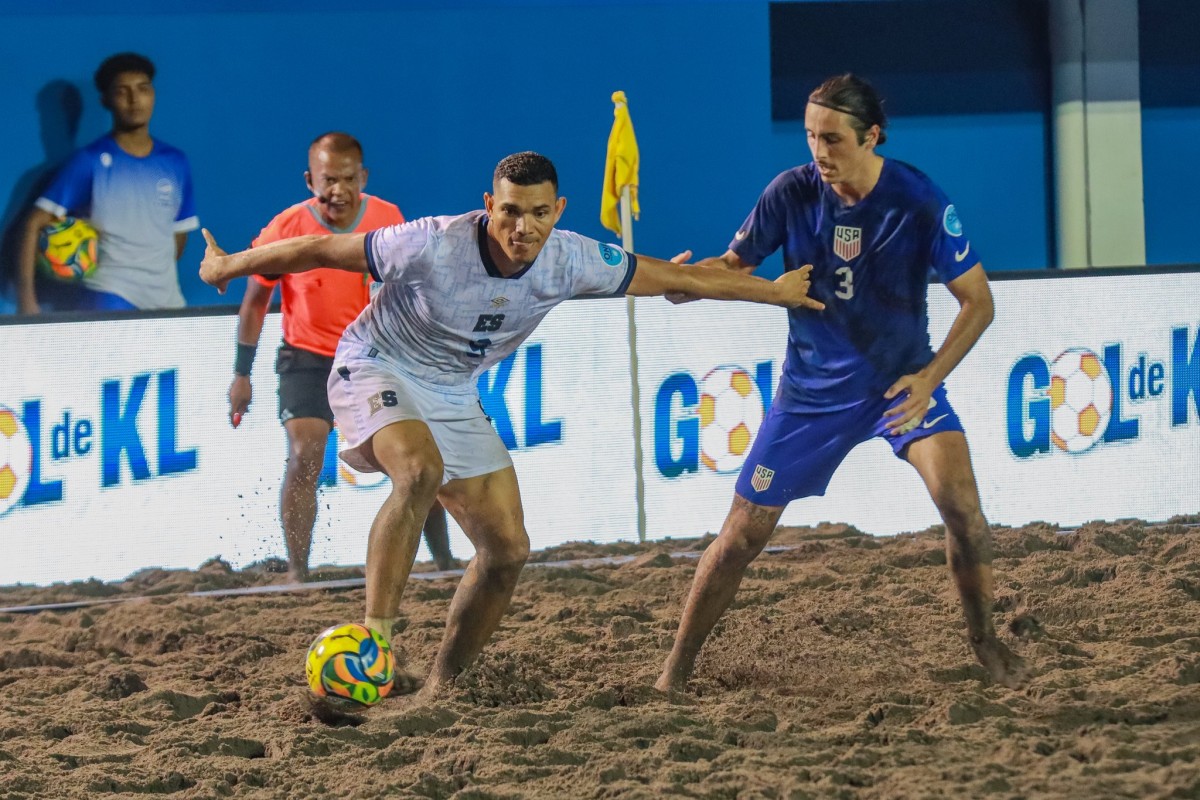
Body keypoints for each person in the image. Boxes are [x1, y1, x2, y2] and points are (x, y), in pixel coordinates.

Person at [200, 151, 823, 698]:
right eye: (508, 213)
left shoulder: (574, 257)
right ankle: (376, 641)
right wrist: (230, 267)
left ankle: (444, 687)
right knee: (419, 471)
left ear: (558, 210)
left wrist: (776, 293)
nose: (522, 228)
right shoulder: (431, 240)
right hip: (376, 364)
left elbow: (677, 277)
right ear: (487, 206)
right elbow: (317, 248)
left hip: (454, 391)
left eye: (538, 214)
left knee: (508, 551)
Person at [655, 74, 1029, 693]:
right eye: (809, 137)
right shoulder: (791, 193)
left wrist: (929, 378)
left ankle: (985, 643)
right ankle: (673, 673)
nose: (818, 152)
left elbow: (978, 303)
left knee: (963, 509)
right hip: (810, 395)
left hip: (896, 387)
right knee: (742, 535)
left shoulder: (919, 199)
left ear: (871, 136)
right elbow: (735, 265)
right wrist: (685, 281)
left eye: (831, 139)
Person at [228, 132, 455, 583]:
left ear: (363, 177)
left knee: (416, 462)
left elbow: (412, 290)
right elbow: (255, 301)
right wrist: (241, 373)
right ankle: (299, 573)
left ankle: (445, 564)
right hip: (307, 358)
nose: (338, 190)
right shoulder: (287, 228)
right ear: (309, 179)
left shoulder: (388, 218)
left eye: (348, 179)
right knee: (304, 453)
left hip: (375, 357)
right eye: (328, 180)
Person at [16, 52, 198, 314]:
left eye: (143, 89)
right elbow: (33, 222)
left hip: (168, 300)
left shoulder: (176, 162)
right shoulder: (89, 161)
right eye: (122, 91)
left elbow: (178, 234)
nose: (135, 100)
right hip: (109, 296)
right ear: (106, 100)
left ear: (153, 95)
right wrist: (27, 302)